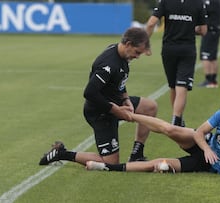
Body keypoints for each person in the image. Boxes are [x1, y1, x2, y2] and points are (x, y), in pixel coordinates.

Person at [38, 27, 158, 166]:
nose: (137, 56)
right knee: (111, 162)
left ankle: (137, 155)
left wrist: (126, 99)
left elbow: (119, 81)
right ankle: (62, 153)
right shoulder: (108, 64)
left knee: (149, 107)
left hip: (116, 102)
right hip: (100, 112)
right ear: (128, 44)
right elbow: (89, 93)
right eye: (137, 52)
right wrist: (116, 111)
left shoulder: (121, 54)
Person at [86, 97, 220, 175]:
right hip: (203, 146)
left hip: (208, 165)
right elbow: (199, 133)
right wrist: (206, 148)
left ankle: (107, 167)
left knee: (156, 164)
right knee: (170, 129)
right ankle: (126, 114)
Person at [145, 0, 208, 127]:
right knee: (182, 86)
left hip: (169, 50)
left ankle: (177, 118)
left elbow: (151, 23)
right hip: (187, 50)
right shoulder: (198, 3)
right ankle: (176, 119)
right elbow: (203, 30)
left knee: (173, 86)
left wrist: (145, 44)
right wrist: (189, 27)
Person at [198, 0, 220, 88]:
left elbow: (204, 11)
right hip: (215, 30)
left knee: (205, 56)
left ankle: (208, 79)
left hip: (210, 31)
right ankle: (213, 80)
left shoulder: (210, 2)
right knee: (213, 57)